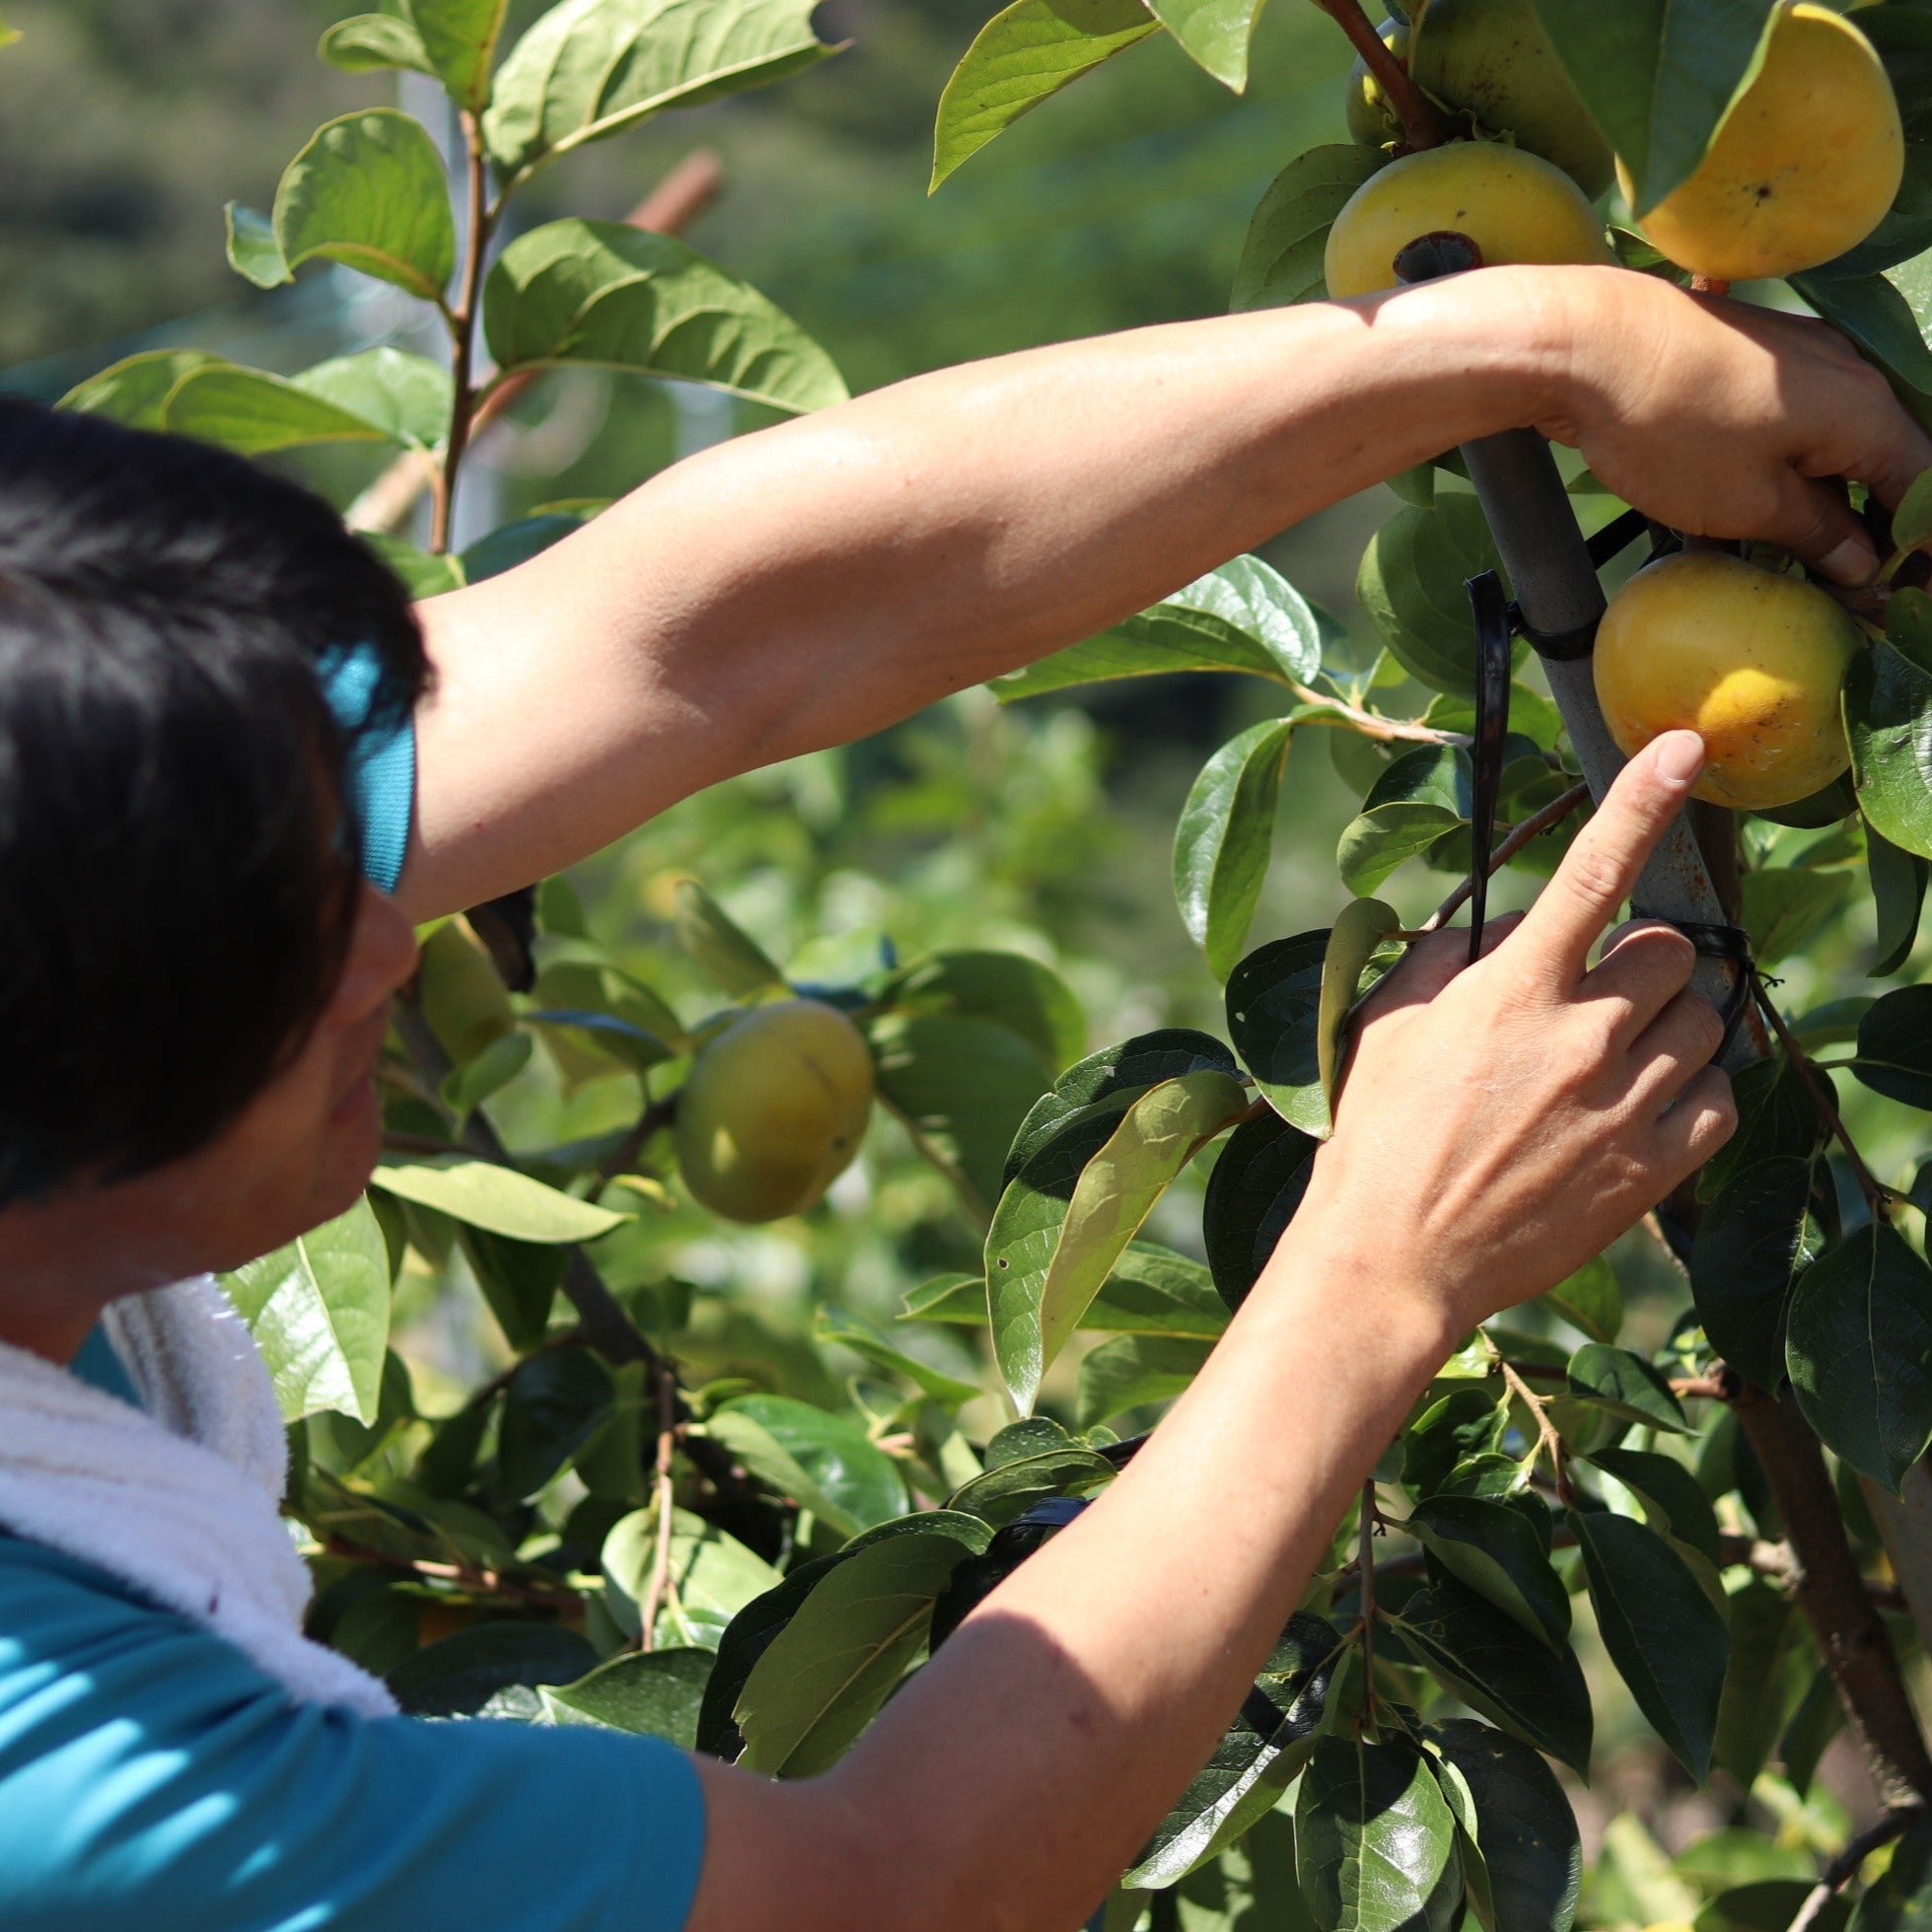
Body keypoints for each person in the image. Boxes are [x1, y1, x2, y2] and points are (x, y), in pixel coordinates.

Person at [0, 260, 1923, 1932]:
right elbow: (892, 1888)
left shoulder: (106, 810)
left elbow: (706, 631)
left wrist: (1530, 343)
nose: (394, 944)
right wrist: (1382, 1258)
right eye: (293, 931)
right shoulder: (68, 1772)